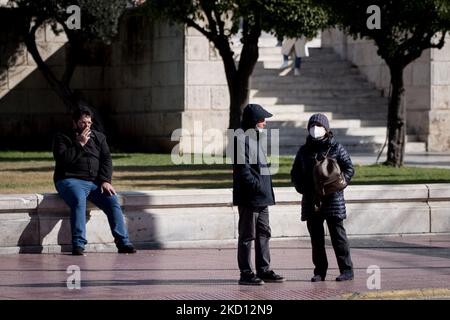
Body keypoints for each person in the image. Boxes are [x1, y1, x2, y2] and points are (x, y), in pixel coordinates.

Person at [53, 106, 136, 256]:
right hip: (69, 180)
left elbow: (106, 160)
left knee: (112, 200)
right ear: (74, 123)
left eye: (89, 123)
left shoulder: (99, 137)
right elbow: (63, 161)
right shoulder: (62, 137)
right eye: (83, 123)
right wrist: (80, 144)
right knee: (79, 200)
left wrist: (105, 180)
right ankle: (78, 244)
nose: (86, 126)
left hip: (94, 183)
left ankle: (123, 242)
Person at [290, 113, 354, 282]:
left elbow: (349, 168)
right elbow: (295, 173)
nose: (315, 129)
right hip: (312, 200)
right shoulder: (304, 150)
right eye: (312, 126)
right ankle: (320, 271)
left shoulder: (336, 147)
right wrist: (302, 188)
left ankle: (346, 270)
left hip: (333, 199)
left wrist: (341, 183)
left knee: (338, 236)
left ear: (326, 129)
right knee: (316, 240)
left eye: (319, 126)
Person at [232, 103, 285, 285]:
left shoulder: (255, 139)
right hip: (250, 198)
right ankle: (246, 273)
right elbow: (243, 172)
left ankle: (263, 270)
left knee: (264, 233)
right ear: (254, 121)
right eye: (262, 120)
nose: (265, 123)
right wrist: (258, 187)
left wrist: (265, 190)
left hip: (262, 198)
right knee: (247, 236)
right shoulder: (240, 140)